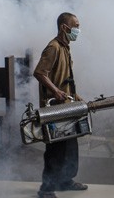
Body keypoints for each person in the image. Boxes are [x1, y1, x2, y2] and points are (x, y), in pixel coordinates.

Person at [33, 12, 88, 198]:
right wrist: (56, 91)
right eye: (76, 26)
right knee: (55, 151)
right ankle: (46, 189)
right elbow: (40, 73)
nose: (78, 30)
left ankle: (66, 181)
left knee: (70, 147)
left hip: (66, 106)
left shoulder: (65, 47)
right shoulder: (53, 47)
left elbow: (65, 78)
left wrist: (75, 95)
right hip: (55, 109)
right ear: (65, 27)